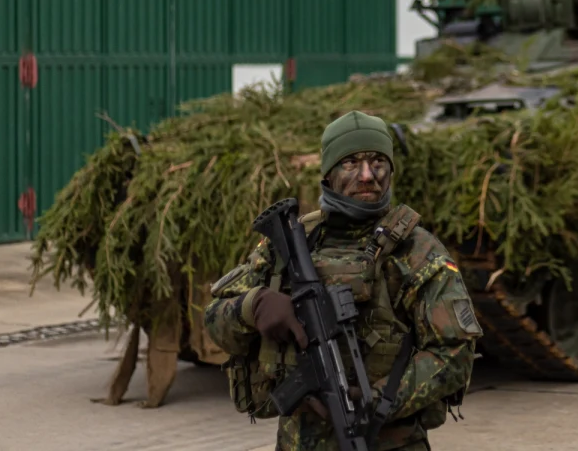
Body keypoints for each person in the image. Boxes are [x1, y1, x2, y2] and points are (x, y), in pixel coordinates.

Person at [205, 110, 482, 450]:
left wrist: (380, 401)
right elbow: (214, 319)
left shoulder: (417, 251)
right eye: (351, 163)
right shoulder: (291, 243)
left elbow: (454, 354)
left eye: (378, 162)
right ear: (329, 173)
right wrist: (253, 306)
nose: (367, 175)